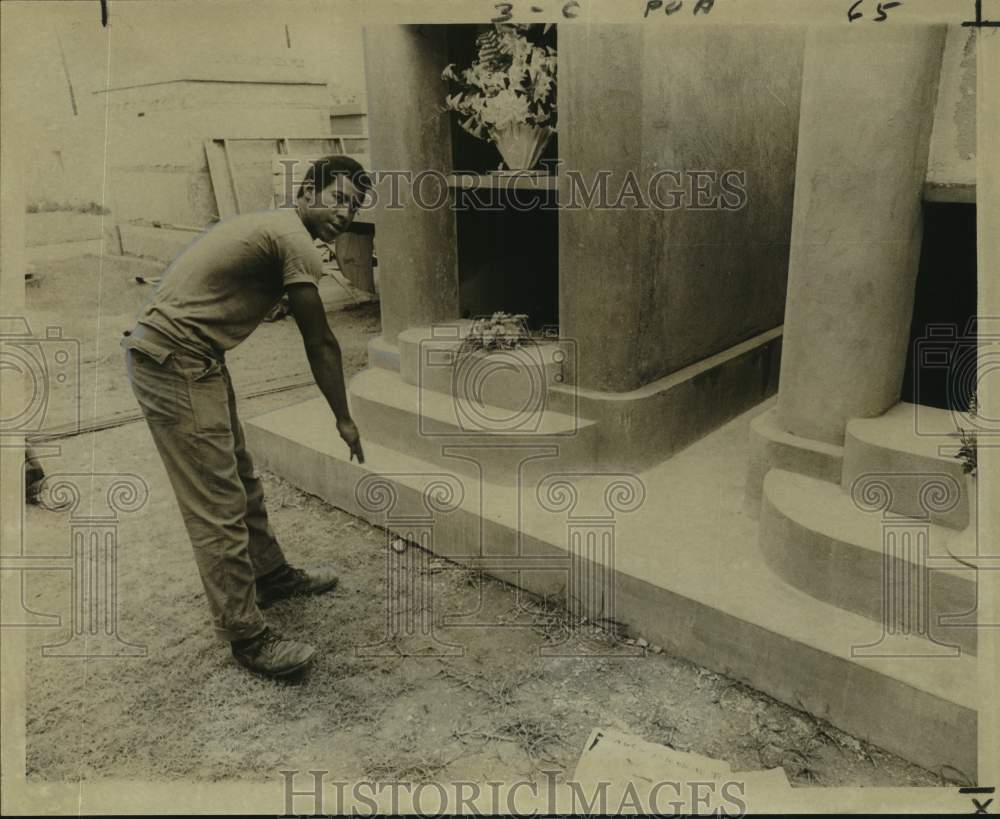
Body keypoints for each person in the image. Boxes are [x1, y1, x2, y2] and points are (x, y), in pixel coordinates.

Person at [123, 155, 368, 677]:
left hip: (196, 358)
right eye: (337, 197)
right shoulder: (296, 241)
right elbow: (320, 341)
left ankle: (271, 576)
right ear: (306, 193)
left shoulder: (279, 226)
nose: (345, 212)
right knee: (217, 504)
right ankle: (247, 638)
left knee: (240, 475)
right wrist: (344, 419)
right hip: (176, 360)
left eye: (354, 204)